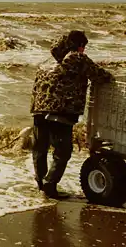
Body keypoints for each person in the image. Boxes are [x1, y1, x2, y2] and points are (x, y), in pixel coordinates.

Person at [30, 30, 114, 199]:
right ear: (79, 45)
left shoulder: (46, 61)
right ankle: (49, 185)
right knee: (63, 151)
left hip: (38, 110)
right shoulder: (77, 58)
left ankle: (41, 183)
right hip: (60, 112)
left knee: (40, 148)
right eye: (83, 46)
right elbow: (101, 76)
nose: (83, 50)